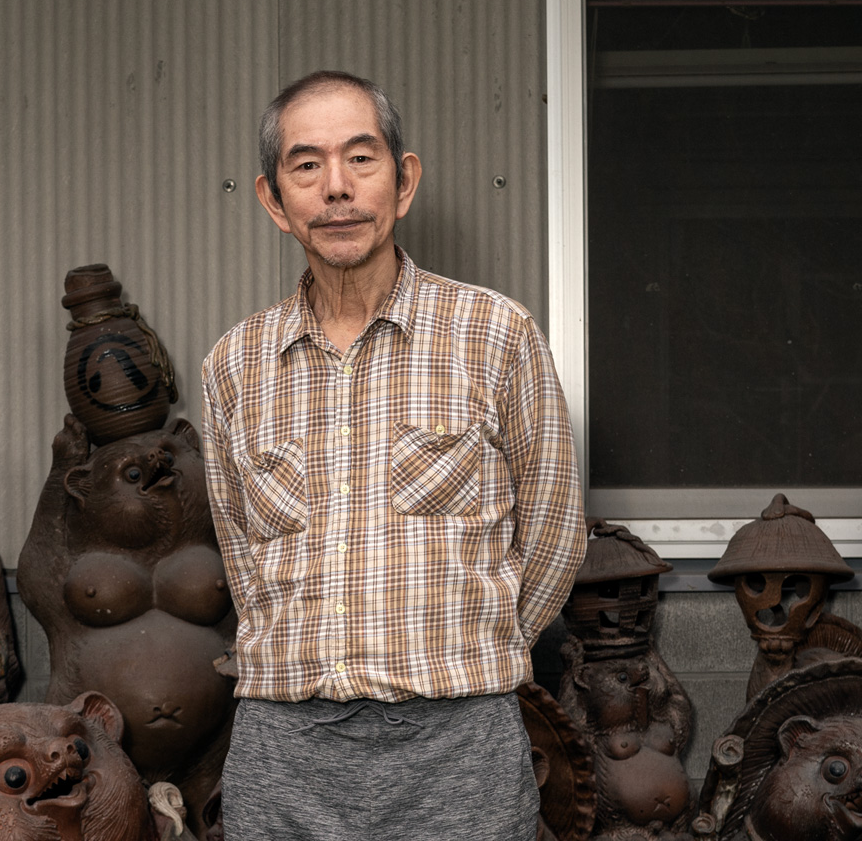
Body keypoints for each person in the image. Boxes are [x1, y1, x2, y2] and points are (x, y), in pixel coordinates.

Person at [199, 70, 587, 839]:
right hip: (284, 751)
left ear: (403, 181)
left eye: (360, 158)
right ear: (274, 200)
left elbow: (554, 533)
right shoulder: (234, 364)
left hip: (460, 748)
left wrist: (470, 658)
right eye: (306, 165)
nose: (336, 188)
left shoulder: (496, 335)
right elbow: (241, 553)